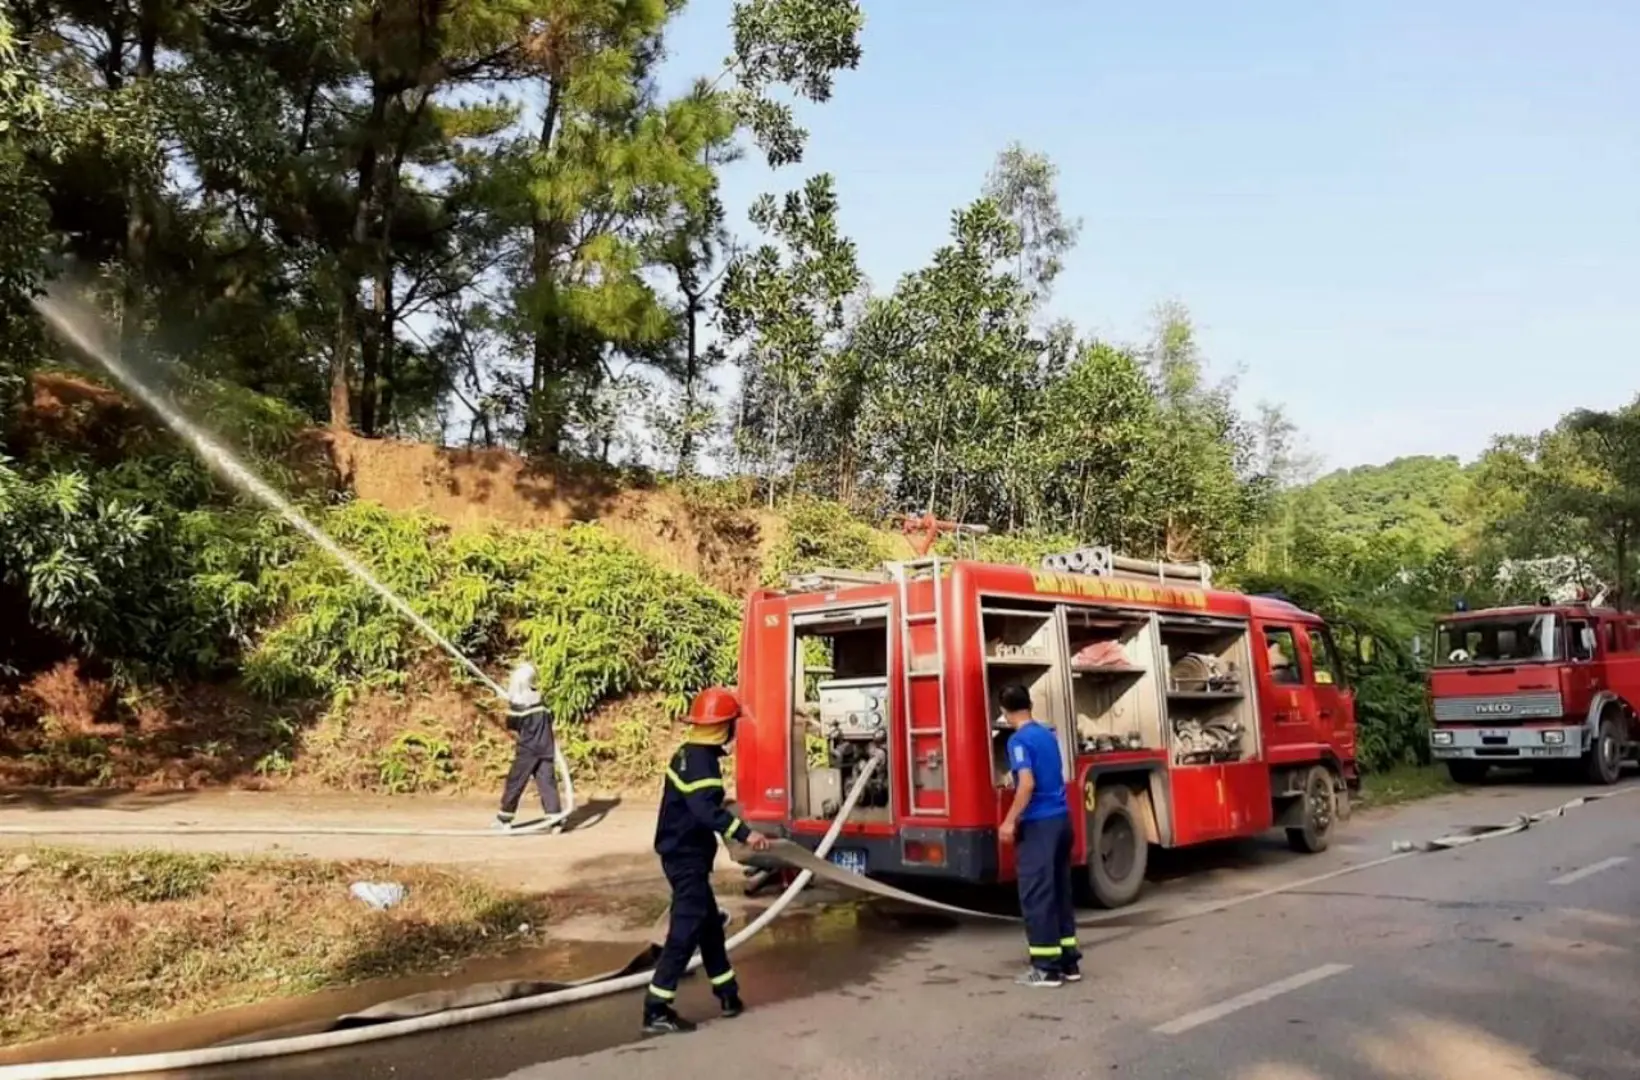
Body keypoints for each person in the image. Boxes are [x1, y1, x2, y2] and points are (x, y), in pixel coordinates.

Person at [643, 686, 772, 1035]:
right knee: (684, 932)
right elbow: (703, 810)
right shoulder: (703, 763)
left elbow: (698, 802)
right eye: (732, 724)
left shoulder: (687, 754)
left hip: (682, 854)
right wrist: (747, 834)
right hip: (686, 858)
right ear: (724, 726)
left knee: (709, 927)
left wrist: (717, 805)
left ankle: (728, 994)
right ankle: (656, 1008)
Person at [997, 683, 1080, 988]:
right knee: (1059, 891)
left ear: (1004, 712)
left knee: (1036, 895)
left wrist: (1008, 821)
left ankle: (1045, 968)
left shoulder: (1018, 740)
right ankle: (1068, 961)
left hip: (1039, 826)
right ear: (1029, 704)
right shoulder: (1047, 734)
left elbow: (1027, 783)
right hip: (1061, 821)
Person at [494, 663, 562, 830]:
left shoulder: (519, 704)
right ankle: (555, 821)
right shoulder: (542, 700)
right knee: (547, 783)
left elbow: (512, 726)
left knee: (515, 782)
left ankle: (505, 819)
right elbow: (549, 720)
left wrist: (510, 706)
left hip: (528, 750)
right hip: (546, 747)